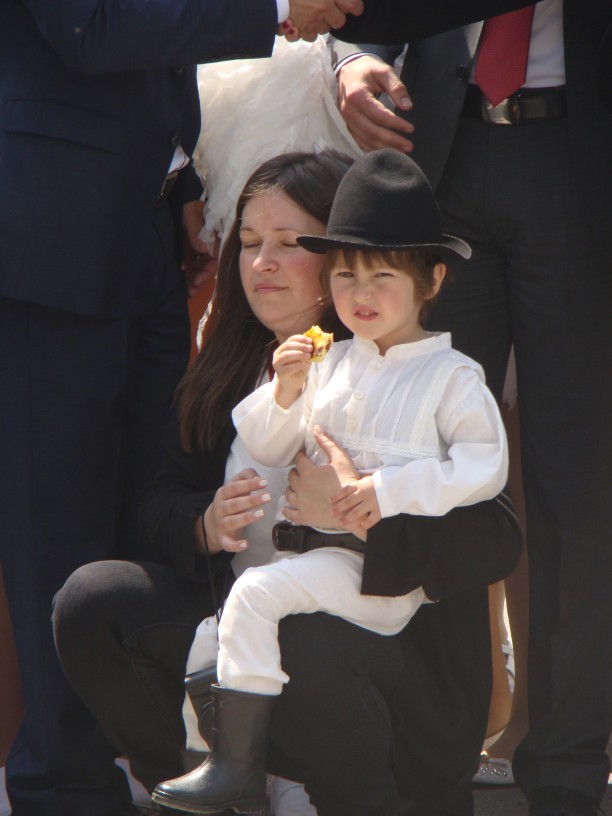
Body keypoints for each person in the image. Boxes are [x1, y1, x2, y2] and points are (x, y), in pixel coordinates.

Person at [53, 149, 522, 816]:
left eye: (287, 243)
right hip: (255, 622)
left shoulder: (425, 368)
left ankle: (348, 797)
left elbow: (496, 535)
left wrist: (362, 502)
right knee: (95, 600)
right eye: (248, 243)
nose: (262, 263)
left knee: (302, 630)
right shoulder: (240, 361)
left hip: (380, 662)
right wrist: (204, 520)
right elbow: (162, 496)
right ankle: (219, 783)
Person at [0, 1, 366, 814]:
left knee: (151, 515)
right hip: (49, 232)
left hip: (146, 226)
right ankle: (63, 787)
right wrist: (279, 8)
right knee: (57, 528)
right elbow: (90, 25)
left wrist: (179, 180)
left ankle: (169, 763)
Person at [332, 2, 612, 814]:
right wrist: (354, 54)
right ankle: (433, 760)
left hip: (580, 153)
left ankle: (566, 771)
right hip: (435, 150)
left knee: (576, 484)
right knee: (416, 460)